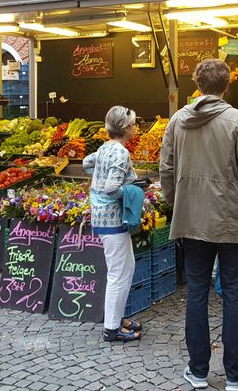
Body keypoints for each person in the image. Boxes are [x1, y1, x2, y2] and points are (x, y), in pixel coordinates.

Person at [160, 59, 238, 391]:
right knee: (234, 293)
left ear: (197, 83)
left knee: (196, 293)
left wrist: (178, 203)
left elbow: (166, 169)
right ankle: (235, 374)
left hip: (192, 219)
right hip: (232, 218)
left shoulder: (177, 121)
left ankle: (198, 370)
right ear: (226, 85)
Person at [83, 105, 142, 342]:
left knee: (126, 268)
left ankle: (117, 318)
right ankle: (111, 329)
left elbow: (88, 163)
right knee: (119, 273)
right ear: (126, 128)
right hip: (112, 218)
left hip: (102, 216)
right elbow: (112, 187)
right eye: (134, 125)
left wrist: (98, 176)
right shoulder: (120, 153)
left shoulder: (104, 148)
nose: (135, 128)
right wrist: (134, 189)